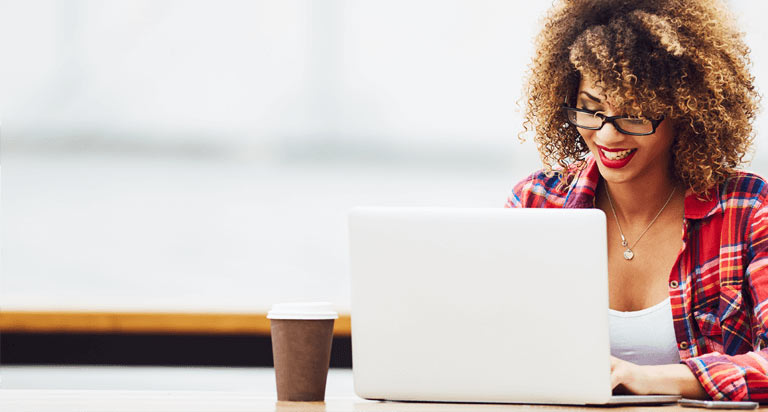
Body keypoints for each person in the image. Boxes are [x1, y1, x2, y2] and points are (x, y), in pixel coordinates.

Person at [505, 0, 765, 402]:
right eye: (591, 109)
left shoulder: (747, 210)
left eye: (636, 115)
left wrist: (657, 379)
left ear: (686, 110)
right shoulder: (534, 203)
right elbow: (495, 345)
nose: (607, 137)